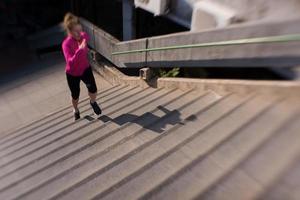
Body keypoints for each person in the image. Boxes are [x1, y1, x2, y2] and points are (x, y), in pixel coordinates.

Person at [62, 12, 102, 121]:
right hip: (72, 73)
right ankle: (75, 109)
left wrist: (83, 40)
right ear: (70, 31)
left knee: (93, 89)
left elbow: (86, 36)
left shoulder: (81, 35)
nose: (80, 33)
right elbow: (70, 62)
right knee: (75, 95)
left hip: (85, 68)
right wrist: (79, 50)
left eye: (80, 30)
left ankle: (93, 102)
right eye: (77, 31)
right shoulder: (66, 44)